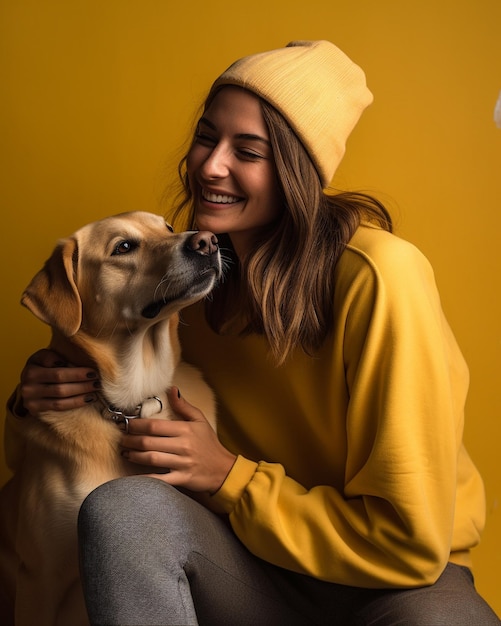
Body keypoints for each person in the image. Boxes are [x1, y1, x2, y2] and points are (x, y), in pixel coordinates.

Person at [5, 40, 500, 625]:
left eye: (249, 151)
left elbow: (409, 543)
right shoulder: (190, 281)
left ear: (296, 171)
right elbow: (82, 443)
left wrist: (231, 479)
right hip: (251, 566)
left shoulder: (380, 278)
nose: (211, 165)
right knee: (124, 510)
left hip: (396, 581)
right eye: (206, 137)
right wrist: (38, 394)